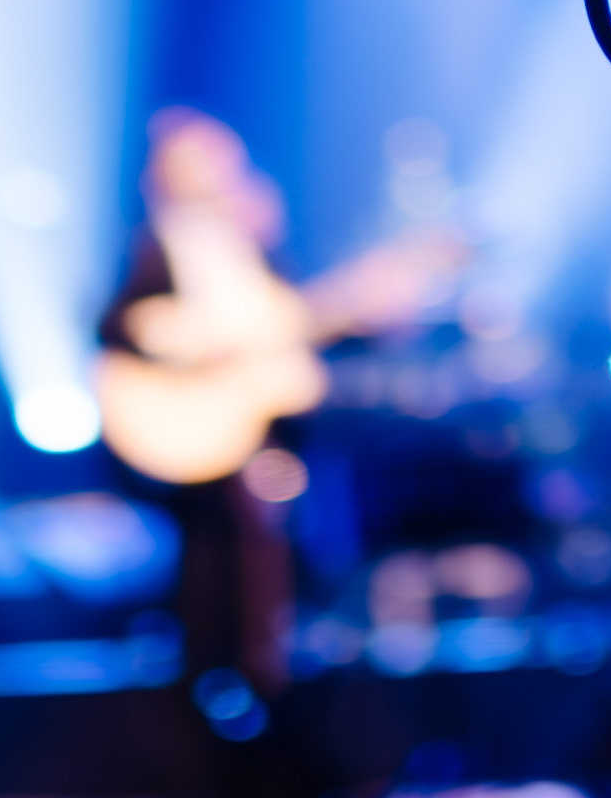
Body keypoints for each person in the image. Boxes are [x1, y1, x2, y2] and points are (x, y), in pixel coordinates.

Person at [91, 109, 456, 704]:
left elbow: (288, 331)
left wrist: (367, 312)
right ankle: (220, 700)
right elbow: (127, 325)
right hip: (197, 436)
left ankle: (258, 694)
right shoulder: (166, 243)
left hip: (259, 436)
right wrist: (198, 340)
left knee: (262, 567)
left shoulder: (242, 247)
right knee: (219, 573)